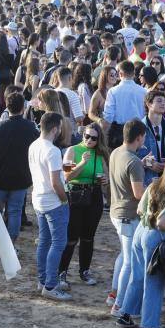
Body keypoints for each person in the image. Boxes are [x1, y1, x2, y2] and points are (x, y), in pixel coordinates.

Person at [117, 156, 165, 328]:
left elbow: (140, 210)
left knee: (137, 275)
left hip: (140, 232)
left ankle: (126, 314)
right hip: (155, 237)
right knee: (155, 282)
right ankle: (150, 326)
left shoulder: (153, 186)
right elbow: (161, 223)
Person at [0, 91, 38, 249]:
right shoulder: (31, 128)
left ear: (7, 106)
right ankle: (11, 246)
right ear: (22, 107)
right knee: (14, 212)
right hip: (21, 178)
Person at [28, 112, 71, 300]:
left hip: (38, 199)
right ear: (55, 129)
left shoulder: (34, 145)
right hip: (53, 202)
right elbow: (55, 182)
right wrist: (64, 199)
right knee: (58, 243)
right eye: (60, 127)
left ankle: (43, 280)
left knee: (44, 241)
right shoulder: (52, 150)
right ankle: (51, 285)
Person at [60, 123, 110, 287]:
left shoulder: (100, 154)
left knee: (88, 236)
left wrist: (105, 180)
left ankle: (84, 271)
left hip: (94, 196)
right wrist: (81, 163)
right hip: (76, 195)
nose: (89, 140)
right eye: (86, 136)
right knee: (71, 236)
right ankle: (62, 272)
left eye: (93, 138)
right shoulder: (72, 150)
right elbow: (67, 176)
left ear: (98, 139)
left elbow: (106, 179)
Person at [107, 119, 147, 312]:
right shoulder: (134, 162)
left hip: (116, 213)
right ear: (138, 138)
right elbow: (139, 194)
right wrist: (154, 188)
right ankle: (119, 305)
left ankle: (114, 294)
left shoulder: (116, 152)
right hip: (128, 216)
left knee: (123, 256)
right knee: (130, 262)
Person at [103, 61, 147, 148]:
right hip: (139, 131)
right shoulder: (143, 91)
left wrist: (104, 134)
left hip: (119, 132)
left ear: (120, 74)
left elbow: (108, 116)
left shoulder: (113, 91)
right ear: (134, 73)